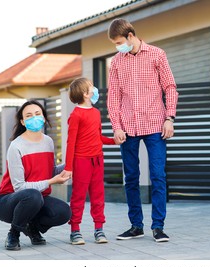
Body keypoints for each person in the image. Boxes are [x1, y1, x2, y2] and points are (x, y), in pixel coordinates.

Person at [107, 18, 179, 242]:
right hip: (128, 127)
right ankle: (136, 225)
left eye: (119, 42)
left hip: (156, 124)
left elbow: (170, 87)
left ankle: (158, 226)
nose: (118, 47)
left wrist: (170, 118)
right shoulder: (117, 62)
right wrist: (116, 127)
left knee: (158, 176)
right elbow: (113, 96)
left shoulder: (157, 54)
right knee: (131, 178)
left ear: (130, 36)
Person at [0, 100, 72, 251]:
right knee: (33, 195)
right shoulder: (16, 146)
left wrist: (71, 165)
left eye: (37, 114)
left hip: (37, 199)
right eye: (29, 116)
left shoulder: (48, 141)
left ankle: (32, 228)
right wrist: (51, 181)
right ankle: (14, 233)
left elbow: (50, 170)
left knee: (64, 212)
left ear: (43, 117)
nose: (34, 117)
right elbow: (19, 187)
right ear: (22, 122)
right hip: (8, 202)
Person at [63, 77, 116, 245]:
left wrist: (114, 140)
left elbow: (97, 137)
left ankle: (99, 229)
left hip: (97, 161)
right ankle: (75, 230)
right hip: (81, 162)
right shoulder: (76, 115)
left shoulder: (95, 113)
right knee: (78, 196)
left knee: (98, 196)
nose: (95, 89)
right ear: (86, 94)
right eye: (91, 87)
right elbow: (71, 143)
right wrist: (69, 167)